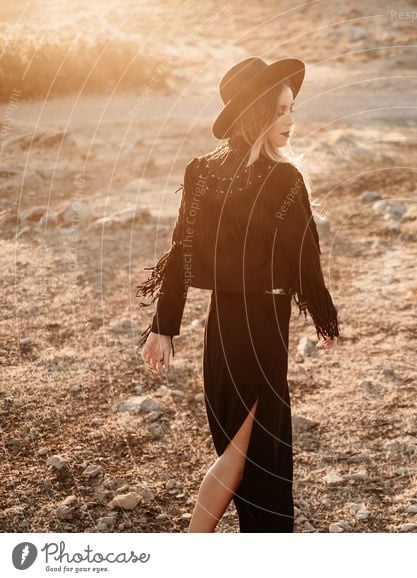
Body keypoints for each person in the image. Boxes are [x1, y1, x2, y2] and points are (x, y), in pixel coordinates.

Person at [135, 56, 340, 533]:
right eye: (283, 110)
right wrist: (325, 316)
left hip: (226, 326)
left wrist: (166, 328)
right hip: (258, 329)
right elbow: (306, 257)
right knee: (246, 455)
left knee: (247, 454)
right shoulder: (280, 179)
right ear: (260, 112)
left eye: (293, 109)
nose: (292, 120)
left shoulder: (208, 173)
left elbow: (182, 253)